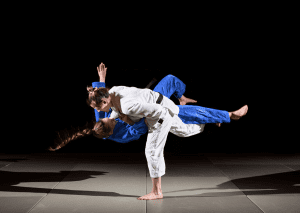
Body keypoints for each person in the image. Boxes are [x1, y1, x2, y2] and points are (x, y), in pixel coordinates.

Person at [51, 63, 248, 200]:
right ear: (111, 132)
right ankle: (219, 117)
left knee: (173, 92)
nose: (107, 114)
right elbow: (120, 113)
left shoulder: (113, 109)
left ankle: (194, 105)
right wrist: (104, 83)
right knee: (183, 121)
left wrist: (101, 81)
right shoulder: (119, 124)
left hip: (157, 107)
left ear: (106, 100)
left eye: (104, 112)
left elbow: (102, 105)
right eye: (107, 117)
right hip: (153, 109)